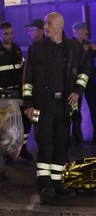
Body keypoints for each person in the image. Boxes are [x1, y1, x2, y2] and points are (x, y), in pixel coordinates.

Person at [23, 12, 90, 203]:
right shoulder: (36, 48)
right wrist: (28, 104)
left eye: (49, 24)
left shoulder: (73, 48)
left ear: (60, 25)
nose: (45, 27)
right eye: (44, 24)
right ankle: (44, 185)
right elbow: (27, 80)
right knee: (45, 143)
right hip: (43, 105)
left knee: (61, 143)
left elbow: (86, 69)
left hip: (64, 105)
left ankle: (57, 184)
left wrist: (77, 90)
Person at [0, 21, 33, 164]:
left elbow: (23, 69)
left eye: (11, 33)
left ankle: (22, 147)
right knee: (6, 126)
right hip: (3, 95)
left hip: (18, 93)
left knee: (25, 122)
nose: (9, 36)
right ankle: (6, 153)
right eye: (6, 34)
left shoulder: (17, 50)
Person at [72, 21, 96, 145]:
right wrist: (82, 51)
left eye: (86, 29)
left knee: (93, 108)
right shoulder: (71, 45)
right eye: (84, 29)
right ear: (76, 31)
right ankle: (77, 137)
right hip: (76, 81)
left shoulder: (89, 44)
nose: (86, 32)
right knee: (76, 109)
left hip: (90, 80)